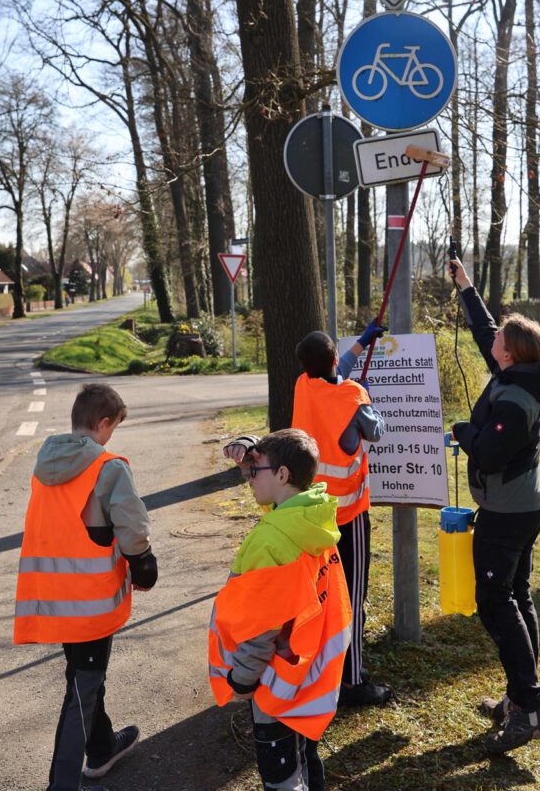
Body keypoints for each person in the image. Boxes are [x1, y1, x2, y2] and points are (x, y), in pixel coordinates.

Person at [14, 383, 158, 791]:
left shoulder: (45, 465)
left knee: (83, 676)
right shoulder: (108, 467)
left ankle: (102, 748)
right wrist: (143, 566)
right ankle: (62, 784)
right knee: (83, 688)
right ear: (103, 423)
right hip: (91, 600)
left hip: (54, 596)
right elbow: (132, 526)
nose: (111, 436)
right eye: (113, 428)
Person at [448, 257, 540, 754]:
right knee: (517, 595)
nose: (492, 342)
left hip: (508, 513)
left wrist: (462, 431)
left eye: (500, 342)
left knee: (497, 604)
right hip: (524, 504)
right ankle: (521, 698)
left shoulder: (515, 399)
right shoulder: (519, 374)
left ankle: (529, 708)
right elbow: (485, 332)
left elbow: (489, 452)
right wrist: (466, 288)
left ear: (510, 355)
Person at [209, 429, 352, 791]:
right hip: (307, 673)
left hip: (274, 683)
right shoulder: (311, 516)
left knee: (282, 776)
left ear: (283, 474)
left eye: (255, 472)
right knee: (305, 756)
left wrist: (242, 679)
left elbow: (262, 626)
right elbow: (270, 493)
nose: (249, 479)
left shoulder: (272, 541)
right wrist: (252, 455)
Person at [291, 322, 391, 708]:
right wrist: (368, 401)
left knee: (322, 595)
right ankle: (352, 681)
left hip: (311, 515)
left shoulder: (303, 386)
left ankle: (317, 669)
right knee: (352, 596)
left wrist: (363, 343)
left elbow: (335, 374)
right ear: (333, 358)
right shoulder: (353, 397)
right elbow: (376, 430)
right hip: (348, 517)